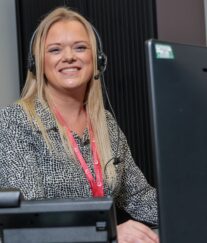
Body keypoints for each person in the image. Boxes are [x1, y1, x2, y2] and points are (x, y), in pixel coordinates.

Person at [0, 6, 159, 243]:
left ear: (97, 60)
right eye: (55, 50)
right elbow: (30, 220)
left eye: (80, 47)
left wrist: (195, 207)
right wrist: (110, 233)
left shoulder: (106, 125)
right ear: (37, 63)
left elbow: (139, 196)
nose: (69, 57)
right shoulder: (15, 122)